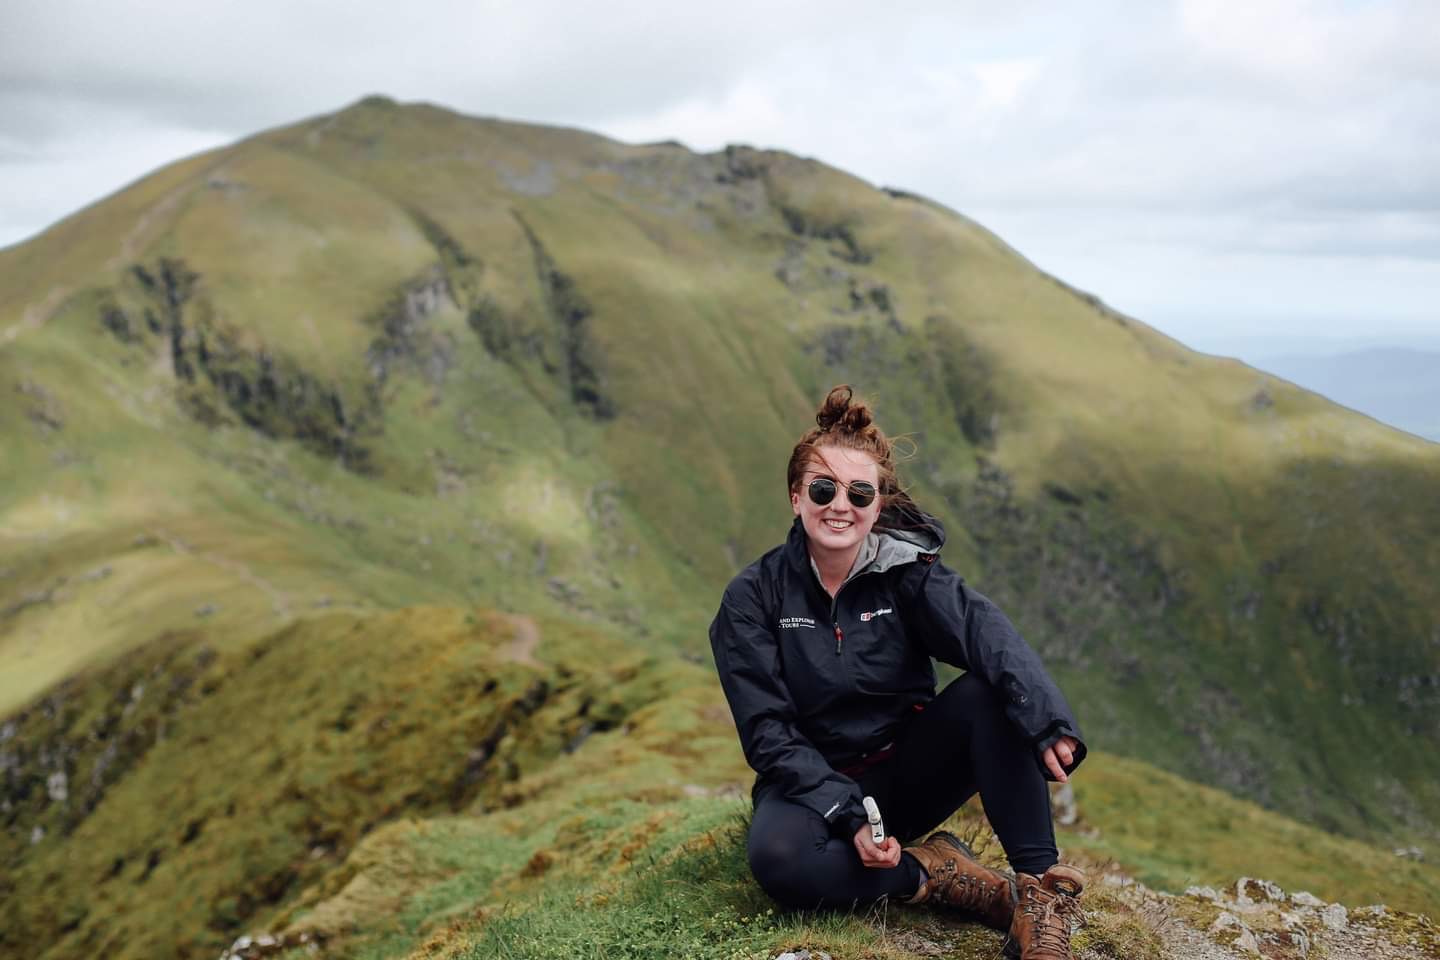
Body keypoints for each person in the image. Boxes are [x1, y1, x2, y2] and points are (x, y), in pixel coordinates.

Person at [709, 385, 1090, 960]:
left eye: (860, 493)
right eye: (823, 488)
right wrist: (846, 811)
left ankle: (1038, 898)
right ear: (795, 498)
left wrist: (1045, 719)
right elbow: (767, 732)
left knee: (993, 694)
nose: (841, 504)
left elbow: (985, 633)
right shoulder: (752, 598)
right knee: (782, 864)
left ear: (878, 506)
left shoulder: (906, 574)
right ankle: (935, 874)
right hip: (812, 785)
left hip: (908, 772)